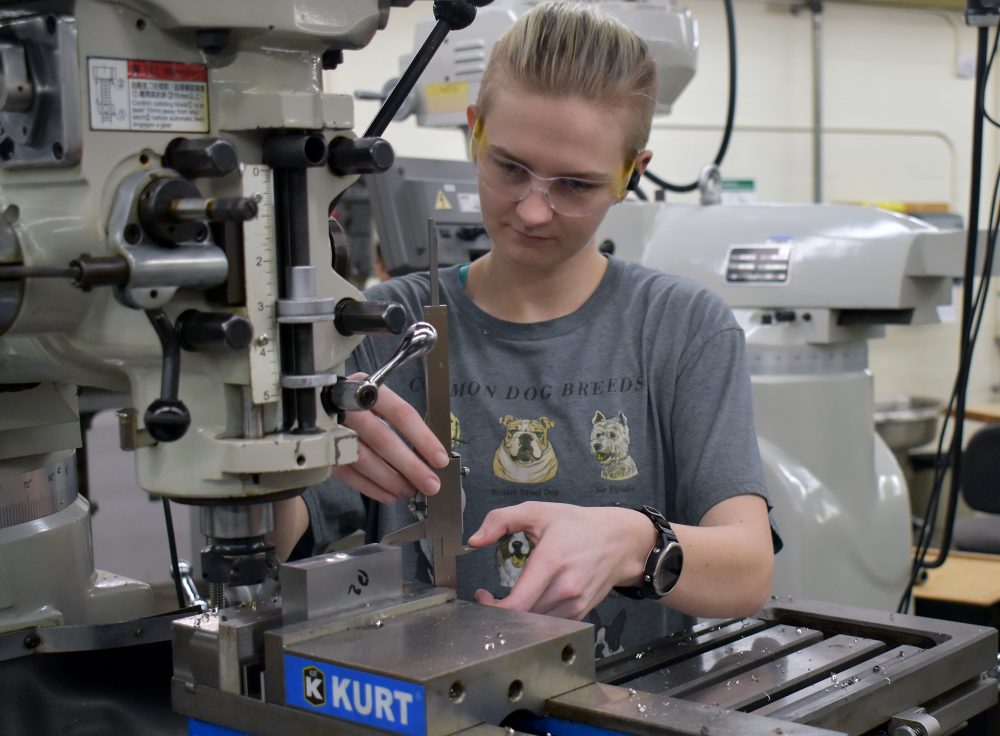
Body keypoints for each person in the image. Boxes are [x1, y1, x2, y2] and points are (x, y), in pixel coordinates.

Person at [273, 0, 777, 654]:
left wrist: (633, 542)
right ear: (475, 130)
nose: (534, 210)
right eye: (510, 167)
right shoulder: (383, 324)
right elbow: (277, 545)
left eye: (575, 185)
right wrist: (284, 444)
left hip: (625, 709)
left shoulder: (681, 328)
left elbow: (748, 569)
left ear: (632, 174)